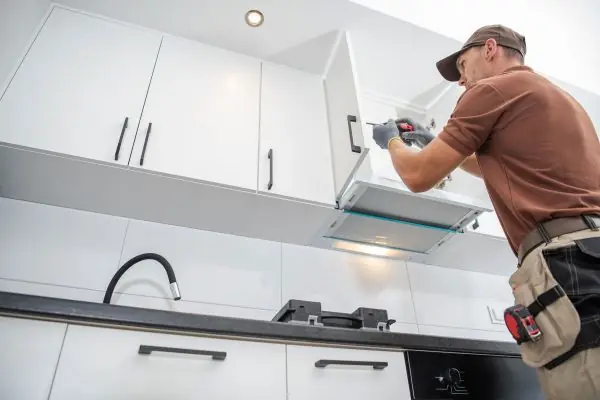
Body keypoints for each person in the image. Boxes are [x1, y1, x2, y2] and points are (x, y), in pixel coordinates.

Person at [372, 25, 600, 400]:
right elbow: (499, 163)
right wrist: (439, 145)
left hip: (566, 264)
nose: (462, 81)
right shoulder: (561, 99)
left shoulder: (490, 90)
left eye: (463, 65)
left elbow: (417, 176)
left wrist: (392, 141)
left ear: (490, 48)